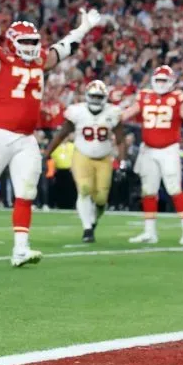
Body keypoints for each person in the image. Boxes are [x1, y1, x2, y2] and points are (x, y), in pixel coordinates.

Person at [0, 0, 101, 266]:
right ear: (12, 43)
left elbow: (64, 48)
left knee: (26, 191)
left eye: (33, 42)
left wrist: (83, 28)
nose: (30, 47)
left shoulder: (40, 59)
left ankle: (20, 249)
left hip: (26, 138)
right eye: (25, 42)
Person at [120, 65, 183, 245]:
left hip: (169, 148)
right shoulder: (145, 96)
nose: (160, 84)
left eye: (164, 80)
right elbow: (125, 115)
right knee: (148, 190)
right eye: (158, 80)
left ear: (171, 82)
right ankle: (149, 232)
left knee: (174, 188)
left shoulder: (178, 99)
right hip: (148, 149)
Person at [44, 80, 125, 243]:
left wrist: (122, 162)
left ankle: (93, 221)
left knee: (101, 199)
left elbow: (121, 139)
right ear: (87, 96)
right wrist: (47, 152)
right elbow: (62, 134)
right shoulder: (77, 111)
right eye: (93, 96)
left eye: (99, 96)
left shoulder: (113, 112)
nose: (95, 99)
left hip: (104, 158)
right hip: (82, 155)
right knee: (84, 189)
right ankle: (87, 228)